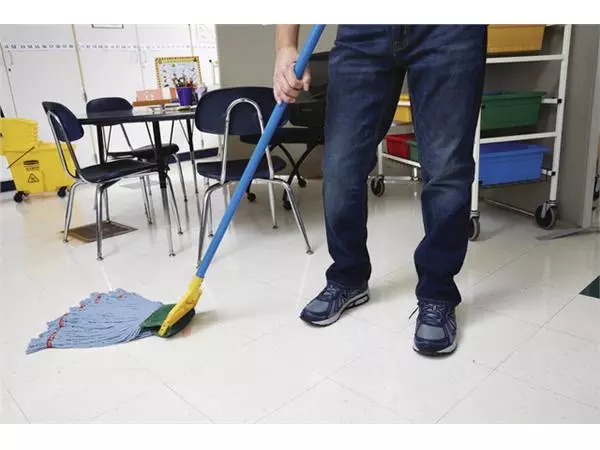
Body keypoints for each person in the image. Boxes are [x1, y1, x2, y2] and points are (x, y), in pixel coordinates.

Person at [273, 25, 486, 356]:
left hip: (449, 27)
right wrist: (285, 46)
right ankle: (348, 277)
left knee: (446, 167)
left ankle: (437, 293)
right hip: (363, 28)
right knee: (341, 166)